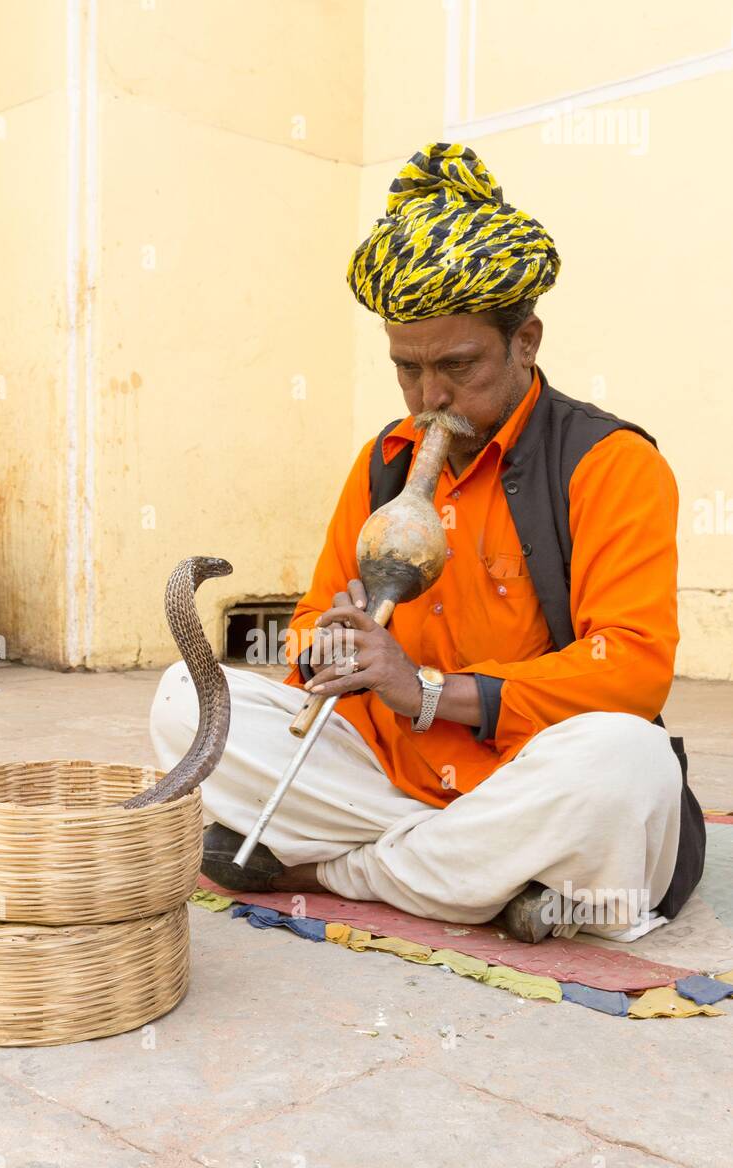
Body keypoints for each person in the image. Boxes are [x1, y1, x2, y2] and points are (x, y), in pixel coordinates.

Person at [151, 142, 704, 944]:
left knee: (628, 763)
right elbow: (309, 619)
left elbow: (631, 667)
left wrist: (437, 693)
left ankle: (338, 872)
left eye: (457, 364)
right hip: (387, 775)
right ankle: (482, 879)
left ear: (526, 341)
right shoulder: (386, 461)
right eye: (405, 369)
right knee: (183, 702)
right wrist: (328, 644)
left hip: (526, 775)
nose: (429, 396)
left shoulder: (609, 462)